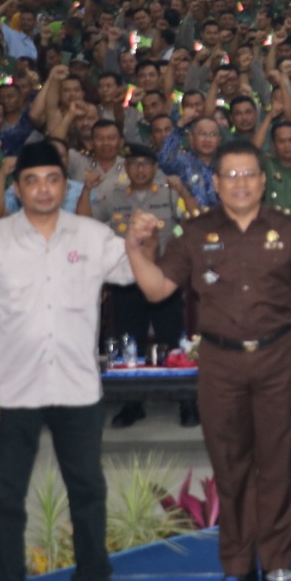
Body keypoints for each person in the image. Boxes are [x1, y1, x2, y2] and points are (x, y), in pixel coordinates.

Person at [123, 139, 291, 581]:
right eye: (231, 175)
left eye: (250, 174)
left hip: (277, 358)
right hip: (220, 363)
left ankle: (281, 568)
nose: (241, 183)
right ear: (215, 182)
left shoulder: (287, 230)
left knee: (277, 466)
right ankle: (236, 569)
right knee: (229, 467)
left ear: (263, 181)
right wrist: (134, 249)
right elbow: (156, 288)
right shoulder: (195, 231)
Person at [0, 142, 133, 581]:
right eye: (32, 180)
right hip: (11, 387)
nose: (43, 188)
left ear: (65, 186)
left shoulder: (92, 235)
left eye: (52, 179)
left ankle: (94, 579)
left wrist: (145, 239)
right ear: (17, 188)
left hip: (77, 386)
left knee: (87, 488)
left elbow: (138, 274)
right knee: (4, 494)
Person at [91, 142, 195, 429]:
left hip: (164, 277)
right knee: (128, 343)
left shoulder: (170, 195)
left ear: (154, 168)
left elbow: (191, 222)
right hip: (126, 280)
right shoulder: (111, 198)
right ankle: (131, 404)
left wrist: (172, 237)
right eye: (134, 164)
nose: (140, 169)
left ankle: (186, 402)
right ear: (126, 168)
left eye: (146, 164)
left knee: (174, 341)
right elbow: (91, 227)